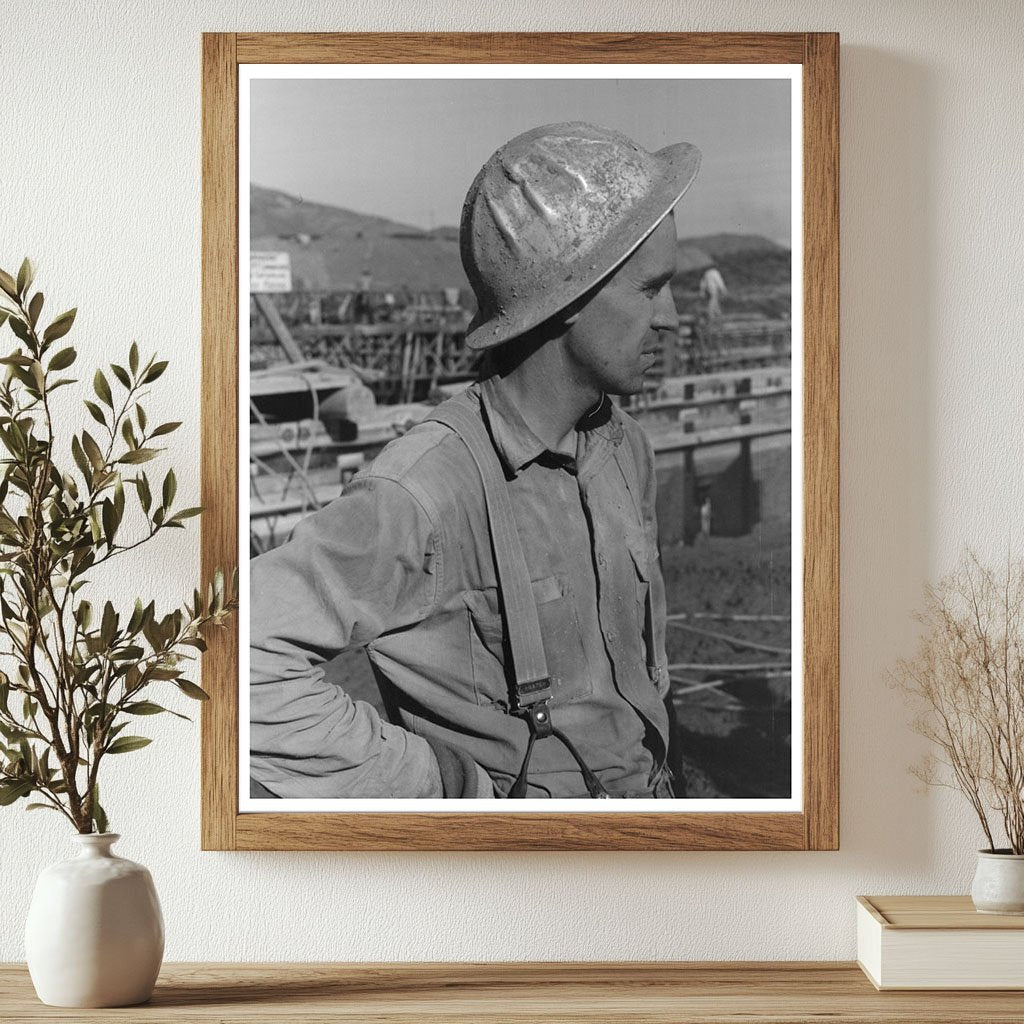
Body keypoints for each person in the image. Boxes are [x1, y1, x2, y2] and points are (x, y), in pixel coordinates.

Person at [249, 122, 701, 799]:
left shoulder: (622, 448)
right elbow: (239, 663)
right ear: (569, 296)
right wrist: (441, 789)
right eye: (649, 289)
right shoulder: (425, 491)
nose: (671, 317)